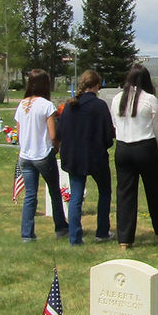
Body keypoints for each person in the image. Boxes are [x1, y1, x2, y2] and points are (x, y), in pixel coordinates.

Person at [110, 64, 158, 251]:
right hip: (145, 147)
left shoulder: (116, 99)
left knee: (125, 194)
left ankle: (125, 238)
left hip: (122, 148)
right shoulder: (150, 99)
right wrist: (157, 147)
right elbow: (157, 129)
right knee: (155, 191)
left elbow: (115, 124)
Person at [57, 70, 115, 246]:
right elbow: (108, 135)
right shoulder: (99, 106)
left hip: (74, 157)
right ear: (96, 85)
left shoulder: (69, 106)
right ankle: (102, 231)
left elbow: (60, 133)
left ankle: (75, 237)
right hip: (96, 157)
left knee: (76, 196)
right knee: (104, 192)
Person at [14, 69, 68, 242]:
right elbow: (53, 134)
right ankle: (60, 227)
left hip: (25, 155)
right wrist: (56, 145)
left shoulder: (22, 104)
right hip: (43, 154)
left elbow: (18, 131)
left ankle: (27, 234)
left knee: (30, 195)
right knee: (53, 191)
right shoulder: (46, 105)